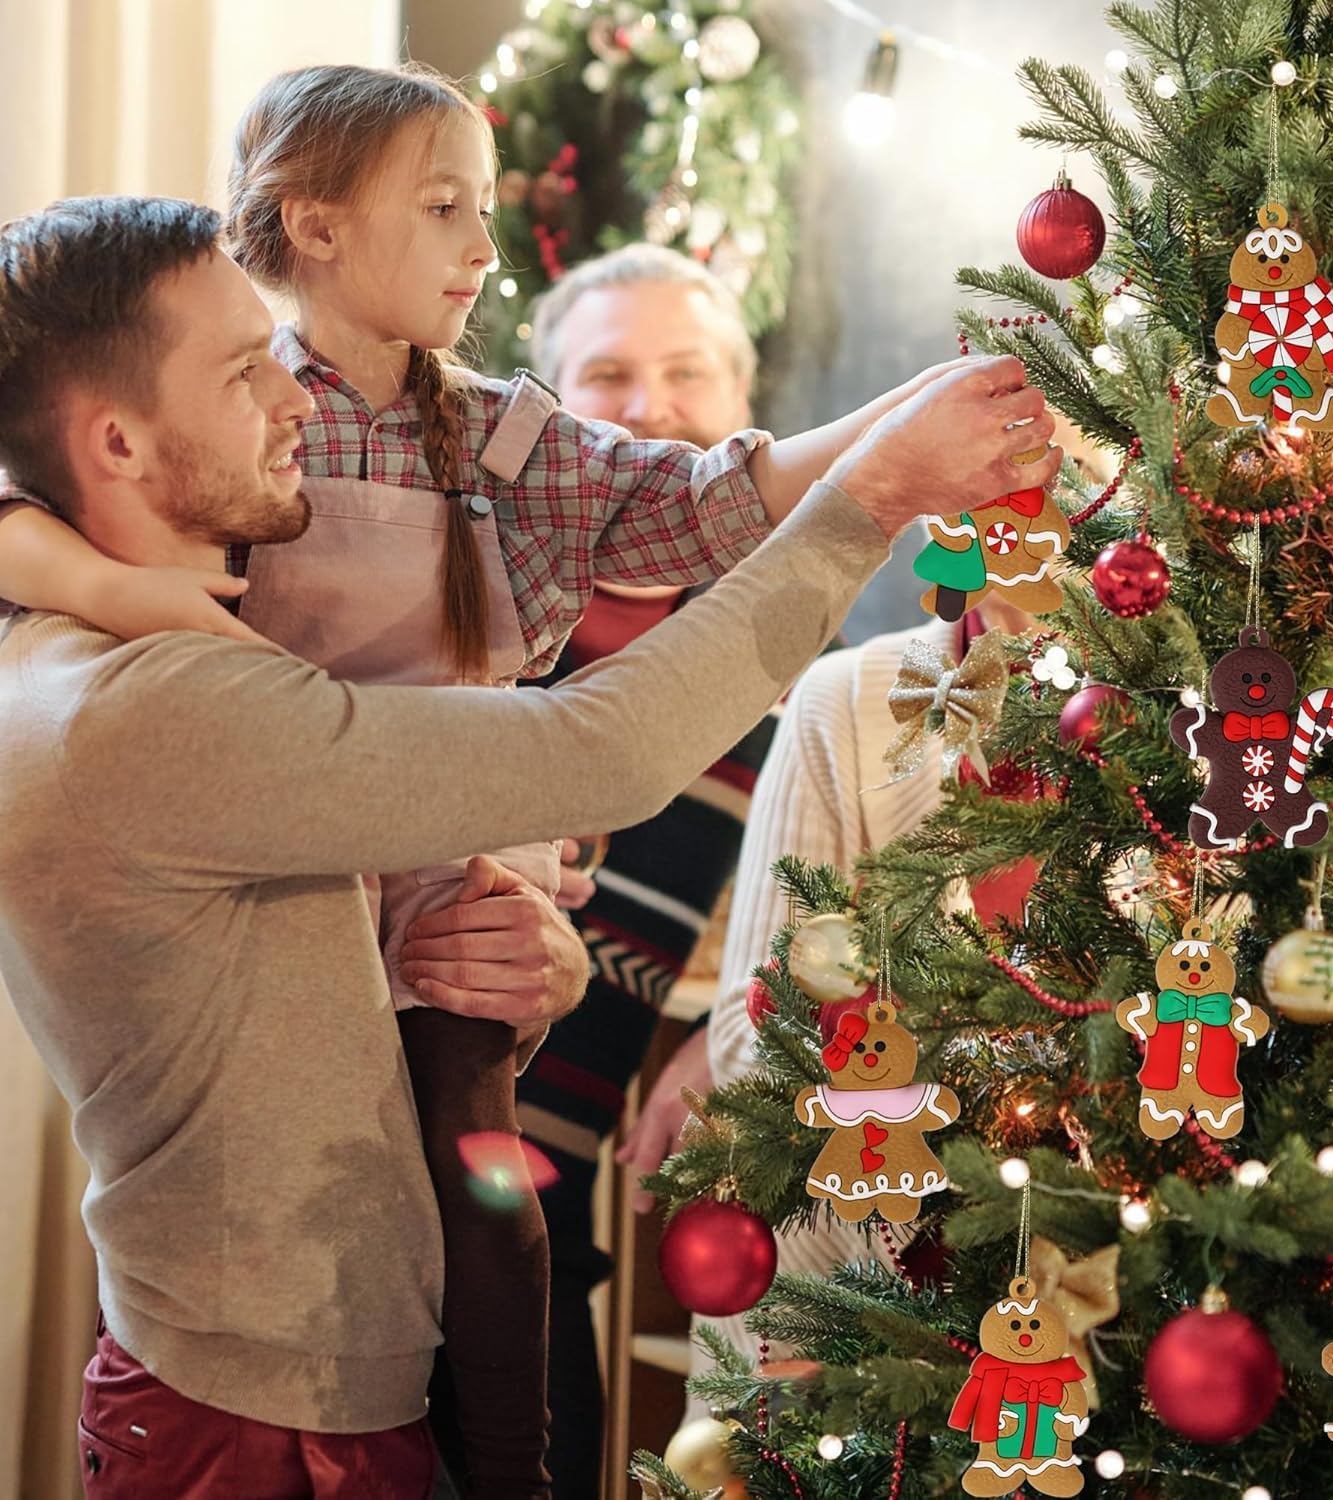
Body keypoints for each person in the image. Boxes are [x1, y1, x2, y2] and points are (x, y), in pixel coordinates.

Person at [0, 62, 1041, 1500]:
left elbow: (685, 509)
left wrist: (532, 941)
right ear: (310, 229)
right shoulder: (146, 696)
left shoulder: (476, 441)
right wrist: (878, 489)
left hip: (427, 927)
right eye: (241, 375)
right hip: (253, 1401)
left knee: (496, 1220)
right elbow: (592, 747)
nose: (284, 406)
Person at [694, 432, 1108, 1386]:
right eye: (993, 495)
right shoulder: (847, 702)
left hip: (1116, 1308)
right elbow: (742, 1041)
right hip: (852, 1301)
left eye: (1068, 492)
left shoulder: (1184, 741)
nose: (1024, 525)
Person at [511, 243, 784, 1497]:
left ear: (744, 414)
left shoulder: (785, 672)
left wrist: (735, 1022)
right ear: (549, 409)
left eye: (687, 374)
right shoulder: (476, 617)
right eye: (607, 374)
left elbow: (870, 892)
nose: (649, 406)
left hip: (546, 1218)